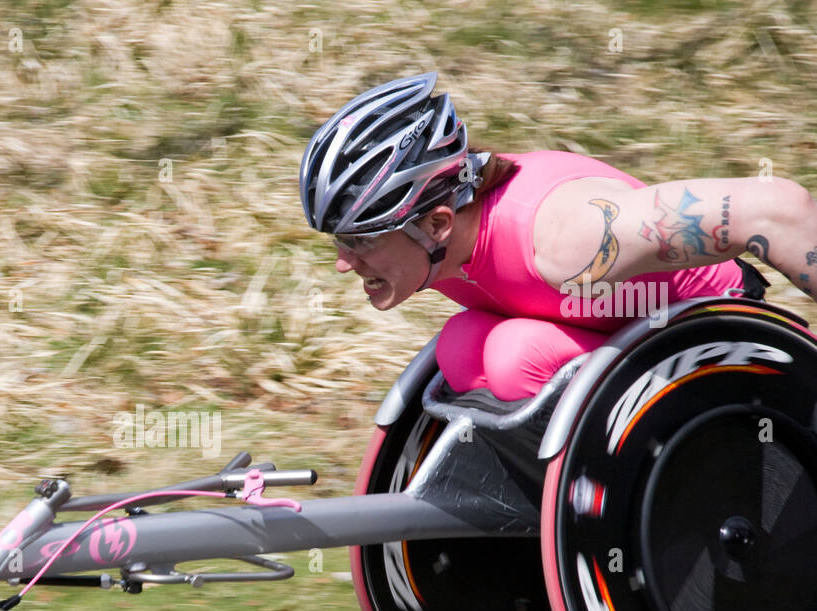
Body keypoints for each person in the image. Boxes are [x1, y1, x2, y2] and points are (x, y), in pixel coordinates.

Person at [299, 71, 817, 400]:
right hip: (622, 335)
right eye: (339, 242)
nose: (345, 263)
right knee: (462, 349)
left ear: (437, 223)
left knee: (513, 358)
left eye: (361, 241)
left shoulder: (569, 235)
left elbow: (777, 209)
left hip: (724, 344)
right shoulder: (442, 245)